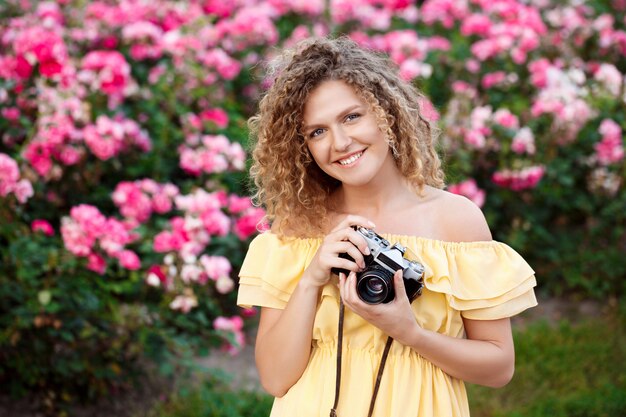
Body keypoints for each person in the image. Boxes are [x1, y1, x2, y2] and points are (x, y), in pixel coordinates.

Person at [237, 37, 537, 417]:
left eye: (351, 117)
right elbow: (275, 379)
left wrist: (410, 332)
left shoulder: (454, 221)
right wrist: (312, 278)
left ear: (387, 114)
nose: (341, 143)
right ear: (303, 148)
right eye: (317, 132)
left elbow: (498, 368)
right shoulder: (296, 229)